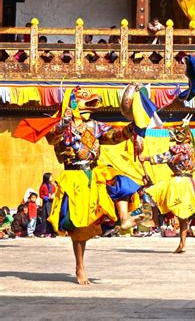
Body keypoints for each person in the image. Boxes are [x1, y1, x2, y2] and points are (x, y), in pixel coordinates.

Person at [40, 87, 145, 284]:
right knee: (80, 228)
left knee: (120, 183)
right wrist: (64, 120)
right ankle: (80, 266)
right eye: (85, 99)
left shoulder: (95, 126)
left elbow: (114, 136)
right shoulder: (62, 126)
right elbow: (51, 137)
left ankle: (124, 219)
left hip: (94, 173)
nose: (93, 103)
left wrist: (133, 127)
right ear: (73, 102)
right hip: (74, 178)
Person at [140, 115, 195, 253]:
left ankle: (155, 221)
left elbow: (163, 157)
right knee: (183, 215)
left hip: (179, 183)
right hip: (190, 182)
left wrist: (144, 158)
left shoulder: (179, 149)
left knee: (151, 194)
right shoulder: (193, 150)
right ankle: (182, 243)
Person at [38, 172, 56, 237]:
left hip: (52, 203)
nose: (52, 178)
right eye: (50, 177)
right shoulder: (43, 186)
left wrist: (53, 196)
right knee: (45, 217)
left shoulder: (53, 186)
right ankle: (44, 232)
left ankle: (52, 231)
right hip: (46, 203)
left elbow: (55, 192)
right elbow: (41, 195)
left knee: (51, 217)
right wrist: (47, 198)